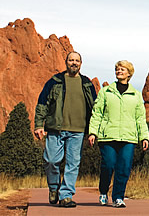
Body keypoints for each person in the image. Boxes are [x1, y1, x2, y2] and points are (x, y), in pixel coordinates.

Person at [34, 51, 97, 208]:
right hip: (56, 129)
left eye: (77, 60)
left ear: (81, 64)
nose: (74, 63)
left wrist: (93, 130)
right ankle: (54, 187)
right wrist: (39, 124)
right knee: (51, 160)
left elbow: (95, 109)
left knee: (72, 164)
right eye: (71, 60)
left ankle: (66, 195)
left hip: (78, 131)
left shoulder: (87, 83)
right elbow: (43, 103)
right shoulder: (54, 82)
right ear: (66, 62)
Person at [88, 60, 149, 208]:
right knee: (108, 165)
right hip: (108, 135)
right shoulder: (106, 92)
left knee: (124, 168)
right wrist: (93, 132)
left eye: (122, 69)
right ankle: (103, 192)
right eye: (117, 69)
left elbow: (140, 117)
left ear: (129, 73)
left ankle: (118, 197)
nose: (119, 71)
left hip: (129, 137)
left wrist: (144, 136)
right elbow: (97, 113)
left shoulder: (135, 95)